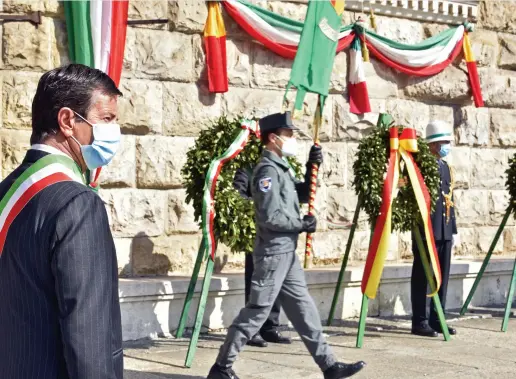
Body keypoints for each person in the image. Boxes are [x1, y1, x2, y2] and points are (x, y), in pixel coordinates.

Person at [208, 111, 366, 379]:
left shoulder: (281, 168)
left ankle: (329, 366)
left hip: (286, 253)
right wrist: (300, 225)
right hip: (272, 253)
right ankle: (221, 368)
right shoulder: (266, 171)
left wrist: (310, 167)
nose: (292, 139)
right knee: (256, 312)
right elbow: (269, 217)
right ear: (273, 138)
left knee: (304, 309)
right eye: (288, 135)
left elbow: (300, 193)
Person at [0, 64, 124, 379]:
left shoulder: (6, 191)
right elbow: (88, 336)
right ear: (68, 121)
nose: (114, 131)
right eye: (106, 119)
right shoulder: (78, 205)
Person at [234, 167, 292, 348]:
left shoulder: (279, 169)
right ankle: (252, 331)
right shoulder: (248, 170)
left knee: (276, 282)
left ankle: (270, 326)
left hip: (278, 236)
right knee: (257, 284)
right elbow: (238, 196)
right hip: (257, 235)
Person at [410, 120, 458, 338]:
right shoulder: (420, 166)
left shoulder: (446, 167)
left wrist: (451, 227)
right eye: (444, 142)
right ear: (433, 145)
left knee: (443, 276)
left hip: (445, 228)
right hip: (427, 229)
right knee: (423, 274)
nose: (446, 145)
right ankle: (419, 320)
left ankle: (437, 318)